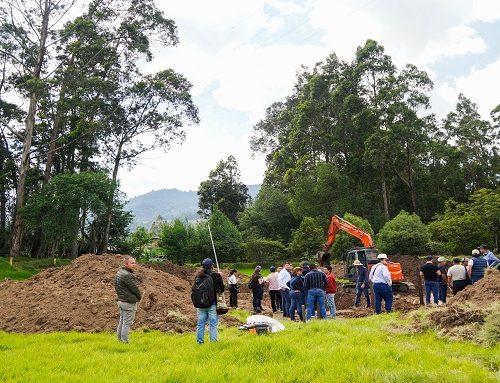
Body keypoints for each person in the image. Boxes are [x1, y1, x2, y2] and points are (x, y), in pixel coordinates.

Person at [195, 258, 224, 344]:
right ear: (212, 266)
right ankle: (213, 343)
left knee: (200, 324)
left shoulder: (198, 276)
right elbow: (222, 289)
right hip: (212, 304)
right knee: (213, 324)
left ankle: (200, 342)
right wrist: (220, 277)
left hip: (200, 304)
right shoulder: (216, 276)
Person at [115, 256, 142, 343]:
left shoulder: (119, 272)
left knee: (122, 321)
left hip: (121, 300)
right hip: (128, 302)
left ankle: (119, 340)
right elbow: (134, 288)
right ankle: (124, 341)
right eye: (132, 263)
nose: (134, 265)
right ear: (126, 264)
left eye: (134, 262)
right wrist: (139, 297)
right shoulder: (127, 275)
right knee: (127, 323)